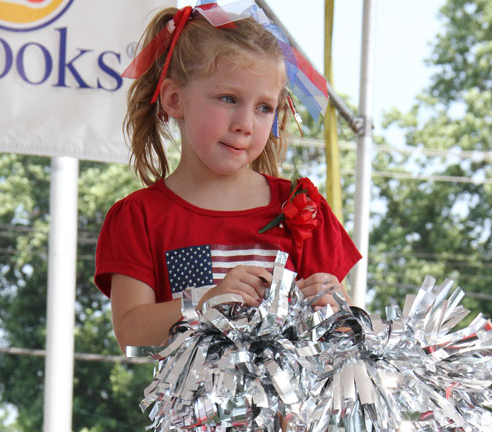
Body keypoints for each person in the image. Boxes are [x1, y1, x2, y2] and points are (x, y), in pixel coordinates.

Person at [94, 0, 362, 353]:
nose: (245, 124)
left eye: (264, 107)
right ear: (174, 99)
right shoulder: (138, 216)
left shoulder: (301, 206)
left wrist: (337, 308)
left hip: (297, 409)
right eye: (228, 98)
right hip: (190, 409)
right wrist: (208, 303)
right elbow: (130, 328)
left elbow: (345, 333)